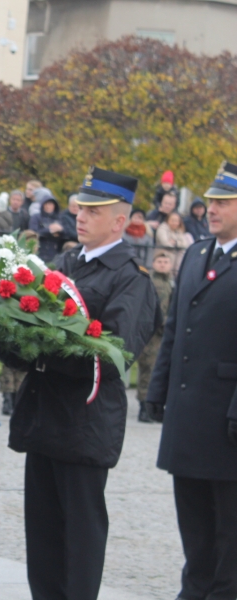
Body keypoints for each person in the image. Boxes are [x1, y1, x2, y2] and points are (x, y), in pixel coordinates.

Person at [6, 166, 157, 600]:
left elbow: (114, 353)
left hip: (83, 425)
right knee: (43, 540)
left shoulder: (130, 277)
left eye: (94, 211)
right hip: (43, 418)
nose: (81, 216)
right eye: (80, 208)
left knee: (79, 541)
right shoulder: (66, 263)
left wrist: (43, 350)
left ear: (119, 220)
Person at [145, 160, 237, 600]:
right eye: (211, 201)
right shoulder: (198, 254)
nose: (212, 209)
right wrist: (157, 390)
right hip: (190, 413)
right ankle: (194, 590)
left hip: (226, 417)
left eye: (224, 202)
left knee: (229, 529)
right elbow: (175, 331)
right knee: (194, 522)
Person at [135, 250, 172, 423]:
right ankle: (144, 408)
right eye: (159, 262)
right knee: (148, 370)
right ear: (154, 264)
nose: (163, 265)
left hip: (162, 333)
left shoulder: (169, 283)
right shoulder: (150, 282)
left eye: (166, 262)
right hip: (151, 333)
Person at [155, 211, 194, 276]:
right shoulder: (162, 228)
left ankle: (178, 274)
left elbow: (184, 244)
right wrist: (177, 244)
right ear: (168, 220)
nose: (174, 223)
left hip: (176, 254)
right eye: (172, 220)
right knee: (171, 256)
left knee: (182, 252)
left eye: (176, 221)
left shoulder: (179, 230)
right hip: (163, 254)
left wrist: (176, 242)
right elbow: (166, 243)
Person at [30, 196, 64, 262]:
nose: (48, 206)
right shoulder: (36, 217)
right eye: (46, 204)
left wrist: (60, 230)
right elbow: (33, 233)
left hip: (54, 252)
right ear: (42, 205)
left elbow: (67, 233)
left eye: (50, 204)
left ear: (54, 206)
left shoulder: (60, 218)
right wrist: (50, 231)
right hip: (39, 250)